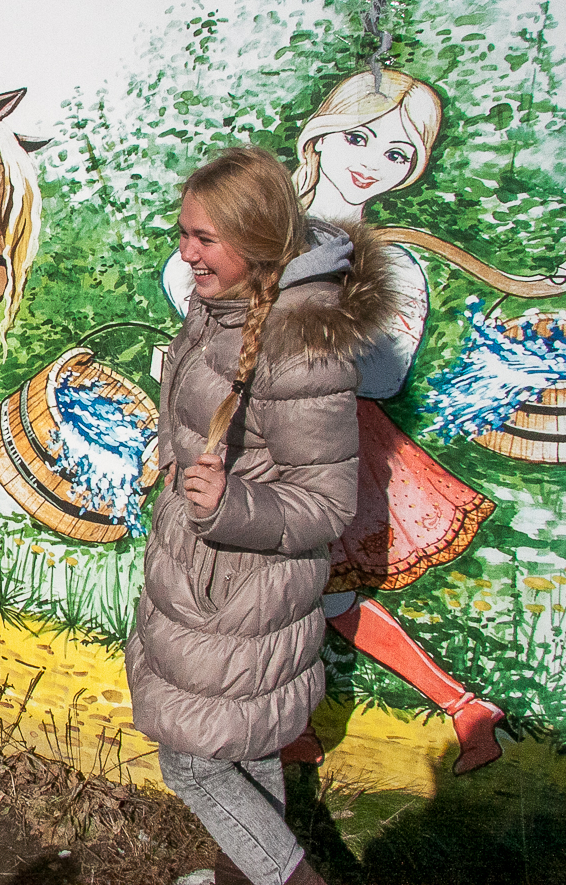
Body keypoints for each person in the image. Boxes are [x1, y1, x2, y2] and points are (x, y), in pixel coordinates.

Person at [162, 69, 506, 776]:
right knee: (306, 595)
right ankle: (442, 707)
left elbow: (382, 377)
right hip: (242, 439)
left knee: (313, 590)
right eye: (357, 137)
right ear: (320, 135)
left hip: (318, 442)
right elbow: (190, 295)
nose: (371, 162)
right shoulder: (241, 230)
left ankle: (423, 708)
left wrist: (309, 341)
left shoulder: (387, 264)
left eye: (397, 152)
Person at [126, 146, 395, 885]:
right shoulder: (221, 305)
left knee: (193, 762)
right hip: (205, 569)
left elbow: (327, 501)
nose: (186, 253)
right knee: (244, 748)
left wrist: (231, 505)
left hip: (244, 584)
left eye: (203, 238)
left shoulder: (301, 347)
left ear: (255, 239)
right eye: (183, 234)